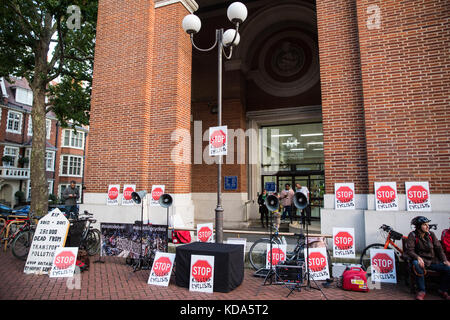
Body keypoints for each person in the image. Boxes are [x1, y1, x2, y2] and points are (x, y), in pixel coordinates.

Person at [405, 216, 450, 300]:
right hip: (421, 262)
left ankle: (443, 290)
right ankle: (422, 291)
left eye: (428, 224)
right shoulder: (412, 235)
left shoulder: (431, 234)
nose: (428, 226)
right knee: (416, 264)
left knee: (448, 268)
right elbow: (410, 250)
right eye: (425, 225)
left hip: (433, 261)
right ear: (418, 226)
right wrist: (418, 257)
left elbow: (439, 248)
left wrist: (445, 260)